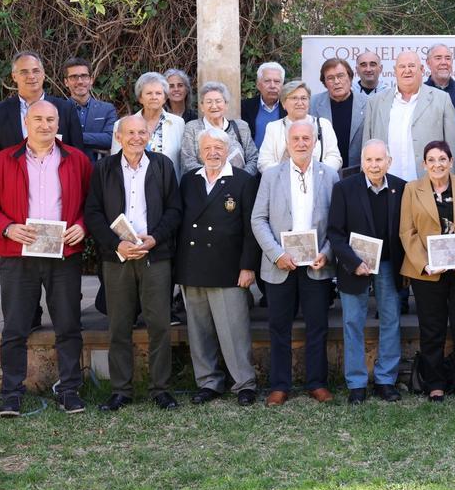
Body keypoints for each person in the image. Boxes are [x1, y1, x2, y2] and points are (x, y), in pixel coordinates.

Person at [0, 100, 92, 417]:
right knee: (15, 327)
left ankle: (69, 390)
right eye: (38, 119)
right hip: (18, 255)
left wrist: (83, 225)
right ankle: (11, 394)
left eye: (51, 119)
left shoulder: (77, 160)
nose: (45, 125)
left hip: (63, 254)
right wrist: (7, 228)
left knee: (68, 325)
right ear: (26, 122)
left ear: (58, 123)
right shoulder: (4, 160)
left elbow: (93, 203)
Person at [85, 114, 183, 411]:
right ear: (118, 137)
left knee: (159, 325)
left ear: (148, 136)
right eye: (130, 133)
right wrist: (117, 244)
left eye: (142, 132)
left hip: (155, 255)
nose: (136, 138)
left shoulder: (162, 166)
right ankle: (121, 390)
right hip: (117, 257)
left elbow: (175, 209)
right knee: (119, 325)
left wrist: (155, 238)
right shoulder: (104, 168)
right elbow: (93, 213)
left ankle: (160, 389)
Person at [251, 120, 340, 406]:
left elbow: (338, 222)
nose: (301, 143)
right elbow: (258, 219)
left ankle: (317, 383)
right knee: (279, 327)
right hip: (280, 265)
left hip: (317, 264)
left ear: (315, 142)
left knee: (318, 326)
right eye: (296, 139)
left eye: (306, 138)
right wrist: (277, 254)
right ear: (287, 143)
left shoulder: (330, 175)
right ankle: (280, 385)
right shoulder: (271, 175)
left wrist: (327, 252)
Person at [175, 128, 259, 407]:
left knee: (234, 331)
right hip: (193, 265)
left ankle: (244, 383)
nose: (213, 153)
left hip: (229, 268)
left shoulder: (243, 181)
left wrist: (248, 267)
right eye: (207, 148)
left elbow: (251, 229)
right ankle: (208, 382)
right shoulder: (189, 180)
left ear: (228, 151)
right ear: (199, 152)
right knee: (199, 332)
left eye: (218, 148)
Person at [400, 141, 455, 402]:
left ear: (451, 161)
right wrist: (425, 263)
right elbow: (407, 231)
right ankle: (434, 383)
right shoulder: (412, 189)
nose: (437, 164)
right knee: (432, 328)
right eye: (432, 160)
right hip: (427, 272)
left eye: (443, 159)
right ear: (424, 164)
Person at [326, 140, 406, 404]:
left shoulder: (401, 187)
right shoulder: (344, 188)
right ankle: (356, 383)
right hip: (354, 266)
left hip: (388, 265)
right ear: (362, 162)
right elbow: (335, 233)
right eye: (369, 160)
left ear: (389, 162)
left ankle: (386, 380)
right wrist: (353, 262)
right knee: (352, 323)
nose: (374, 165)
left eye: (379, 160)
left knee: (391, 320)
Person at [363, 50, 455, 181]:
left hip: (428, 183)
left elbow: (451, 148)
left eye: (412, 66)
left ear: (421, 69)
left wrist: (451, 184)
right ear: (395, 71)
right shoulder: (375, 102)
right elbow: (366, 148)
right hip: (384, 184)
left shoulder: (442, 99)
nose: (407, 70)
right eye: (402, 66)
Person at [0, 51, 84, 166]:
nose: (31, 76)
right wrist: (9, 168)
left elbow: (77, 152)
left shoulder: (65, 109)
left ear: (43, 74)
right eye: (24, 72)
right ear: (14, 76)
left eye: (36, 71)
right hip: (14, 176)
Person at [110, 72, 185, 178]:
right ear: (140, 98)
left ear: (164, 98)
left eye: (158, 93)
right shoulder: (121, 125)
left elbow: (182, 161)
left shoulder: (178, 123)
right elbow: (115, 161)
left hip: (169, 184)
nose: (154, 97)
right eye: (149, 93)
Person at [258, 80, 341, 173]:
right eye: (294, 98)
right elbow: (264, 162)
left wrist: (315, 173)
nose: (300, 102)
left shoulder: (323, 124)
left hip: (319, 178)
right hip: (283, 180)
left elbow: (334, 157)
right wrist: (289, 175)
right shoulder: (273, 128)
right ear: (283, 103)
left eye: (304, 98)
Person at [180, 82, 259, 175]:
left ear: (226, 105)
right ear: (202, 106)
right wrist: (215, 178)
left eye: (218, 101)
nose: (214, 106)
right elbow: (188, 162)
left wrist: (240, 179)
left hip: (239, 182)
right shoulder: (192, 128)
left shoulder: (241, 126)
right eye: (209, 102)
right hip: (204, 182)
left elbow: (253, 159)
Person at [309, 57, 368, 173]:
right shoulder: (312, 104)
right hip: (323, 172)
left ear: (350, 78)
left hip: (358, 172)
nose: (336, 82)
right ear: (325, 83)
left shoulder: (368, 103)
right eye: (330, 78)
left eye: (341, 76)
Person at [62, 57, 117, 163]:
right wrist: (95, 140)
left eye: (84, 76)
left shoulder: (107, 109)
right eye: (74, 77)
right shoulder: (58, 110)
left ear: (91, 80)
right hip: (67, 168)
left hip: (98, 169)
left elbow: (111, 139)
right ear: (66, 82)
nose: (80, 81)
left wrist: (73, 136)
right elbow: (56, 139)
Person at [240, 61, 286, 147]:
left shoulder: (288, 108)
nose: (272, 86)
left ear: (282, 85)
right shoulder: (245, 107)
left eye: (277, 81)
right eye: (267, 81)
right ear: (258, 85)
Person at [424, 43, 455, 113]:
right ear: (428, 63)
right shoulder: (420, 92)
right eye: (438, 58)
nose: (444, 62)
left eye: (448, 58)